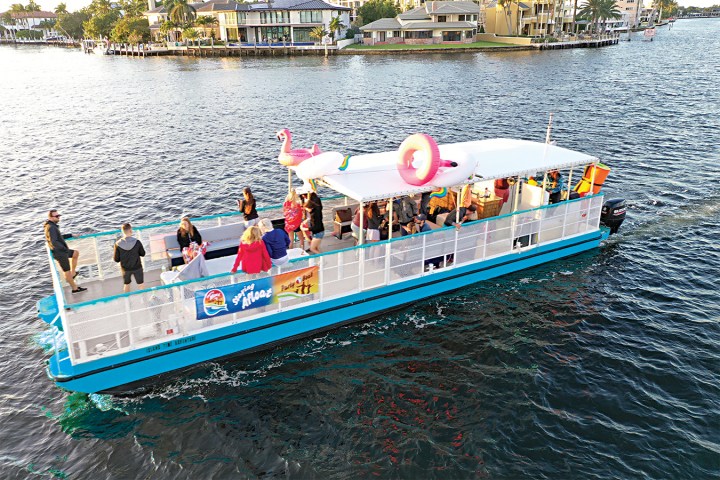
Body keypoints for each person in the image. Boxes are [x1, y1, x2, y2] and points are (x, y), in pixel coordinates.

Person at [44, 209, 86, 293]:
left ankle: (73, 273)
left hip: (62, 251)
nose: (58, 217)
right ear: (51, 217)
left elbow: (58, 237)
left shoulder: (52, 226)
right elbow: (54, 242)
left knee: (75, 253)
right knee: (66, 271)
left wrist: (71, 235)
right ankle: (75, 288)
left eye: (58, 215)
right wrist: (63, 249)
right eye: (56, 216)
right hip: (60, 252)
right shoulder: (51, 227)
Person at [113, 223, 146, 293]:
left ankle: (127, 301)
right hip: (137, 267)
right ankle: (144, 300)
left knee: (126, 284)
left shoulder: (117, 244)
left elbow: (116, 259)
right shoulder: (137, 242)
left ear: (123, 231)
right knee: (141, 284)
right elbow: (143, 254)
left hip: (125, 269)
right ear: (131, 231)